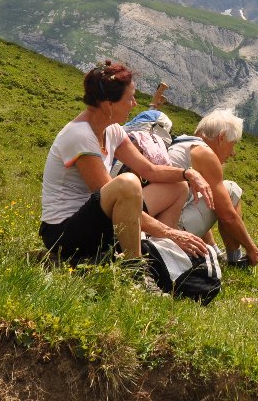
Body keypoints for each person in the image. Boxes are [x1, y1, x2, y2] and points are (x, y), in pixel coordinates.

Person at [39, 60, 213, 269]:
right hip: (64, 233)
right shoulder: (80, 136)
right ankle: (135, 268)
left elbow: (149, 170)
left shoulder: (111, 129)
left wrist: (188, 173)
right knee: (127, 183)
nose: (135, 104)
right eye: (130, 98)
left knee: (178, 186)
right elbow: (111, 195)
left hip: (95, 221)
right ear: (109, 104)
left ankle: (159, 254)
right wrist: (172, 233)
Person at [167, 109, 258, 267]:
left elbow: (200, 201)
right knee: (231, 190)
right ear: (222, 137)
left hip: (156, 227)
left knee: (209, 195)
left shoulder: (181, 143)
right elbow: (227, 216)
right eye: (233, 145)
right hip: (173, 232)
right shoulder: (205, 154)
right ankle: (236, 260)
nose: (233, 153)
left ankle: (214, 252)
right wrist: (252, 249)